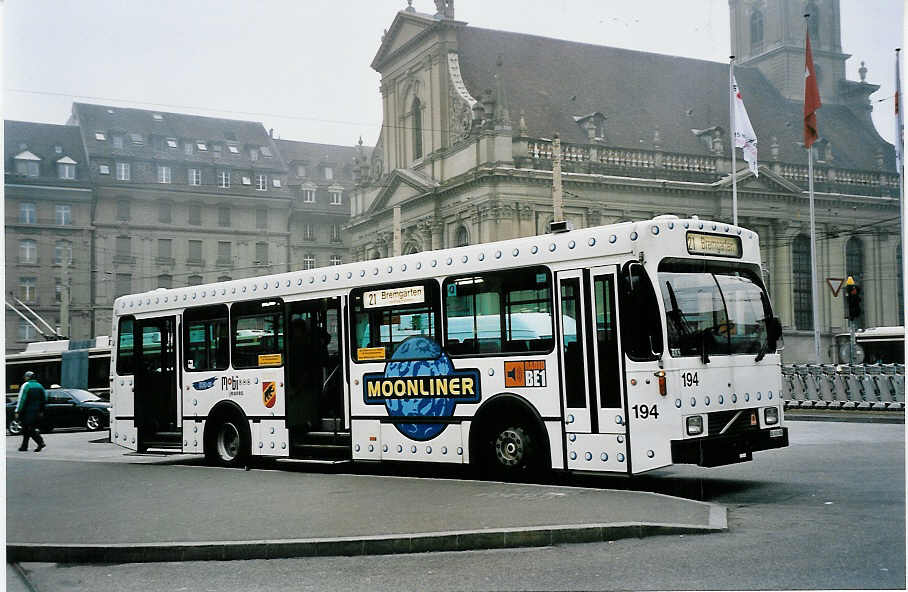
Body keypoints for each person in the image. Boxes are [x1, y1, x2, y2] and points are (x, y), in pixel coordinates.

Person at [16, 371, 46, 452]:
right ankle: (24, 446)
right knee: (26, 429)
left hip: (27, 411)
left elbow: (21, 399)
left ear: (28, 377)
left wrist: (17, 411)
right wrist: (41, 411)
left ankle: (40, 442)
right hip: (37, 411)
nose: (24, 378)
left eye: (25, 377)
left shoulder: (26, 385)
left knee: (29, 428)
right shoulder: (40, 386)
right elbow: (44, 399)